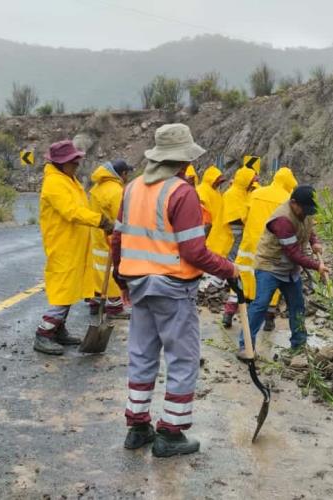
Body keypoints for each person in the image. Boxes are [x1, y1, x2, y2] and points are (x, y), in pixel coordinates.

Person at [110, 124, 239, 458]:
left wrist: (121, 280)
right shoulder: (182, 193)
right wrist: (229, 269)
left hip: (138, 285)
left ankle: (138, 427)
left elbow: (118, 239)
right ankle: (171, 433)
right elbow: (194, 252)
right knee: (182, 359)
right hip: (172, 287)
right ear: (182, 160)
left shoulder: (133, 188)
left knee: (141, 354)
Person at [34, 140, 114, 355]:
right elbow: (71, 211)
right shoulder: (54, 184)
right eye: (73, 161)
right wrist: (101, 221)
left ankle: (59, 330)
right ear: (62, 163)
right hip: (63, 245)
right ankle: (44, 332)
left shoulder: (67, 179)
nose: (77, 164)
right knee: (63, 288)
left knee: (71, 288)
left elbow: (80, 207)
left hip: (74, 244)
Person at [238, 185, 327, 357]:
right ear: (293, 203)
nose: (307, 213)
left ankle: (299, 345)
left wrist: (314, 241)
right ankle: (245, 346)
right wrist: (317, 266)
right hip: (270, 266)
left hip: (290, 269)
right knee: (260, 305)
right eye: (304, 209)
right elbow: (293, 253)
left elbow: (308, 228)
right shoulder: (282, 220)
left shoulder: (304, 212)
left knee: (297, 306)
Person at [235, 167, 298, 332]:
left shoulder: (256, 193)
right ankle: (269, 319)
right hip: (272, 245)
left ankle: (235, 312)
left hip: (250, 243)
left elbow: (244, 217)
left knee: (244, 275)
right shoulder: (288, 199)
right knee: (272, 280)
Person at [206, 167, 257, 328]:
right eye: (252, 180)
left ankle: (232, 311)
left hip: (241, 242)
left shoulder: (242, 193)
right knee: (238, 275)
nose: (253, 184)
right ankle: (230, 311)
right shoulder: (232, 194)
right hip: (232, 241)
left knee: (240, 276)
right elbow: (235, 220)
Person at [87, 159, 133, 319]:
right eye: (128, 174)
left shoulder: (98, 187)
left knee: (97, 269)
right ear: (123, 174)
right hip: (109, 236)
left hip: (96, 234)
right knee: (113, 269)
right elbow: (120, 217)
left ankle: (95, 301)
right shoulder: (116, 191)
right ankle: (114, 307)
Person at [195, 165, 225, 236]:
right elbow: (200, 205)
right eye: (217, 181)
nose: (219, 183)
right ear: (211, 179)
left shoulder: (216, 192)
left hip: (215, 228)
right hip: (205, 227)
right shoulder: (202, 189)